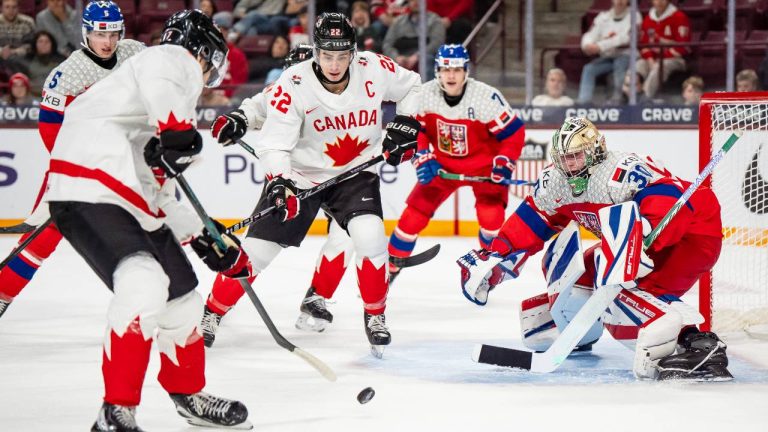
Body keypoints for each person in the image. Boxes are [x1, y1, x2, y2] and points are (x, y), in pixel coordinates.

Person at [42, 9, 252, 430]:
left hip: (125, 195)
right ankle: (115, 410)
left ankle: (188, 394)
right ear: (203, 52)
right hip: (90, 189)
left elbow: (159, 191)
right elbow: (170, 106)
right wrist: (176, 131)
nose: (208, 76)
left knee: (184, 300)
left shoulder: (146, 106)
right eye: (211, 64)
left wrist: (205, 239)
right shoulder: (171, 61)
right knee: (143, 283)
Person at [205, 12, 421, 357]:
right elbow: (275, 143)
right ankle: (211, 313)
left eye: (341, 55)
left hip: (354, 172)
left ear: (353, 52)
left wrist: (407, 122)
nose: (334, 65)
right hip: (301, 176)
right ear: (315, 52)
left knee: (369, 235)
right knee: (256, 255)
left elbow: (412, 86)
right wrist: (280, 182)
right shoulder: (293, 82)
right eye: (326, 55)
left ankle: (376, 315)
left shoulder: (375, 67)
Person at [458, 117, 732, 381]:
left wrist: (648, 226)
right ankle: (578, 331)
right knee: (586, 274)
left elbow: (669, 195)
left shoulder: (619, 170)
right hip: (642, 234)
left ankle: (699, 345)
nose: (569, 165)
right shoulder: (555, 181)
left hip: (690, 233)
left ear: (594, 150)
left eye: (576, 156)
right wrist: (494, 261)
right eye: (563, 158)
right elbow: (532, 221)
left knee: (628, 295)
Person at [0, 1, 144, 319]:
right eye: (99, 34)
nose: (107, 42)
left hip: (128, 166)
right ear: (85, 33)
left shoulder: (134, 52)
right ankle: (1, 294)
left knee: (145, 233)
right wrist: (81, 165)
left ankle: (157, 304)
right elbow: (50, 127)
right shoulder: (68, 72)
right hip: (77, 169)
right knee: (41, 240)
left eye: (113, 33)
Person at [389, 44, 525, 280]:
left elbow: (513, 133)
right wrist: (422, 155)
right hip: (442, 167)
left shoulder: (485, 97)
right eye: (445, 69)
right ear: (437, 71)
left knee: (491, 219)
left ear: (466, 71)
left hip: (484, 167)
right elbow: (414, 130)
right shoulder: (423, 94)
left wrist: (504, 163)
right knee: (414, 214)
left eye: (456, 70)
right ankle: (389, 267)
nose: (451, 75)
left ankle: (487, 270)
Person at [576, 0, 639, 105]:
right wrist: (587, 45)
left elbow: (626, 38)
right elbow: (590, 35)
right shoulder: (603, 17)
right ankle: (584, 102)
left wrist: (600, 46)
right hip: (608, 57)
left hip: (627, 55)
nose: (620, 1)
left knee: (619, 64)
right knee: (589, 69)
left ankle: (618, 101)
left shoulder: (635, 15)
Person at [636, 0, 690, 99]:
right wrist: (650, 59)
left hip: (675, 59)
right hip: (653, 58)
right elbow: (644, 45)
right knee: (637, 65)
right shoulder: (648, 19)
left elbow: (683, 47)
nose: (659, 1)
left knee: (659, 67)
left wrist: (659, 59)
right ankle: (628, 96)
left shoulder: (679, 16)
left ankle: (645, 97)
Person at [382, 0, 446, 79]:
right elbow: (387, 44)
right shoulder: (398, 22)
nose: (415, 2)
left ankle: (425, 90)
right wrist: (396, 57)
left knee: (427, 60)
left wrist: (418, 56)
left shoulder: (434, 20)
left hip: (425, 56)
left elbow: (437, 43)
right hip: (401, 56)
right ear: (407, 2)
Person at [21, 30, 65, 94]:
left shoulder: (61, 61)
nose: (43, 44)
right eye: (40, 41)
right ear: (35, 44)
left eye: (47, 42)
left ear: (52, 44)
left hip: (55, 95)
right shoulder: (27, 60)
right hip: (32, 95)